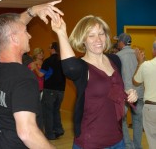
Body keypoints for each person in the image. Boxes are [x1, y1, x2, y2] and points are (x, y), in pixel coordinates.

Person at [50, 14, 138, 149]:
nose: (98, 39)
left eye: (101, 34)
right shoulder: (81, 67)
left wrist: (129, 93)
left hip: (118, 140)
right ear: (83, 40)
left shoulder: (115, 60)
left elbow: (114, 90)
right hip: (91, 142)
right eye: (91, 35)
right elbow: (69, 67)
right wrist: (61, 33)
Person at [0, 0, 63, 149]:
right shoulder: (23, 78)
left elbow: (8, 27)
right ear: (14, 38)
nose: (29, 36)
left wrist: (32, 11)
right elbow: (27, 133)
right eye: (25, 32)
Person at [116, 33, 144, 149]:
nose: (117, 43)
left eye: (118, 41)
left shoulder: (117, 56)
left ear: (122, 42)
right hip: (139, 93)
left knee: (122, 121)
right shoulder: (139, 55)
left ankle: (128, 145)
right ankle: (137, 146)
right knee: (138, 122)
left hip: (124, 93)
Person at [133, 39, 156, 149]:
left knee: (153, 141)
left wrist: (140, 63)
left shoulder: (145, 65)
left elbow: (135, 81)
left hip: (151, 108)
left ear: (153, 50)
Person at [41, 41, 66, 140]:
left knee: (48, 112)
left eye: (49, 48)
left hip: (50, 90)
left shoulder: (48, 61)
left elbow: (41, 75)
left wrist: (34, 68)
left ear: (53, 49)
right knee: (56, 111)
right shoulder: (63, 61)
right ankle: (58, 130)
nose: (48, 50)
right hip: (61, 90)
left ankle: (50, 134)